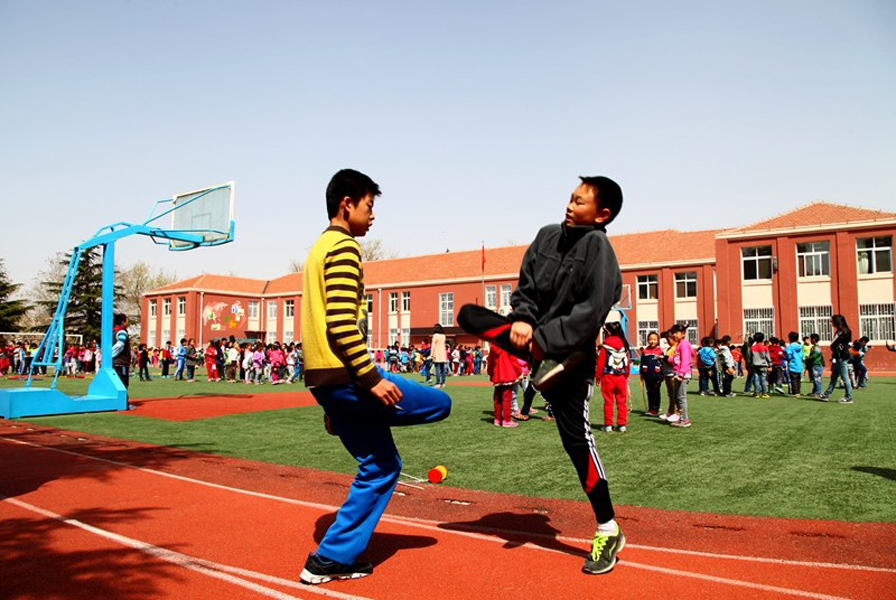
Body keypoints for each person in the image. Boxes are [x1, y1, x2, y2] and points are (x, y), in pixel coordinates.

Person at [299, 169, 451, 585]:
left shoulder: (316, 250)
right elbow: (341, 325)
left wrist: (335, 405)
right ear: (346, 204)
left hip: (325, 382)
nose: (373, 216)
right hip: (348, 378)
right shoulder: (344, 248)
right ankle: (334, 554)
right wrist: (371, 381)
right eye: (369, 206)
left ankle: (329, 559)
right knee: (441, 404)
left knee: (382, 464)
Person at [506, 175, 625, 574]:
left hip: (571, 359)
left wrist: (544, 338)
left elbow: (592, 310)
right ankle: (526, 353)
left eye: (580, 202)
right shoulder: (546, 236)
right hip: (537, 351)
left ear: (602, 213)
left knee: (577, 441)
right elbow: (524, 288)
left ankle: (608, 528)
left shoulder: (598, 247)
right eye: (570, 199)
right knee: (472, 317)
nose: (570, 206)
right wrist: (522, 319)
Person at [596, 321, 630, 433]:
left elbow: (600, 362)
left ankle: (608, 425)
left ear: (608, 331)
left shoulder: (605, 345)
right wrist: (626, 376)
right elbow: (627, 363)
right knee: (621, 401)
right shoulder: (624, 344)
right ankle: (622, 425)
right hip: (621, 377)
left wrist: (598, 376)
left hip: (608, 377)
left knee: (608, 401)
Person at [487, 343, 522, 427]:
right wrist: (519, 372)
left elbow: (490, 362)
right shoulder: (508, 346)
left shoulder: (492, 348)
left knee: (497, 398)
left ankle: (497, 419)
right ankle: (506, 420)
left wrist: (491, 374)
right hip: (507, 374)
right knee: (507, 398)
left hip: (497, 374)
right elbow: (513, 360)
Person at [822, 314, 853, 403]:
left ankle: (848, 396)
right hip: (837, 356)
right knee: (834, 376)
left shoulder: (845, 332)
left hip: (842, 356)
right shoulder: (839, 331)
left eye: (832, 321)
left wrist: (835, 347)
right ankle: (826, 394)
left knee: (844, 376)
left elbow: (837, 343)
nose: (831, 322)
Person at [669, 324, 694, 428]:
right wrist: (668, 359)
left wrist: (681, 373)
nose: (674, 334)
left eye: (677, 332)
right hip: (678, 373)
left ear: (683, 334)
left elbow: (686, 360)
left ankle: (685, 418)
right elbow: (678, 359)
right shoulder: (679, 344)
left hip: (682, 374)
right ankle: (681, 417)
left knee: (681, 397)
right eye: (673, 332)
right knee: (676, 396)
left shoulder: (683, 344)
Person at [639, 332, 664, 415]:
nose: (652, 341)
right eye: (650, 339)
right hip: (647, 375)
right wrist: (641, 374)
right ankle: (651, 408)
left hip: (657, 376)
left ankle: (655, 408)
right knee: (649, 391)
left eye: (654, 339)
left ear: (658, 340)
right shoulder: (645, 351)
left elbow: (663, 364)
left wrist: (662, 375)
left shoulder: (660, 351)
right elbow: (642, 363)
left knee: (656, 391)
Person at [111, 314, 131, 392]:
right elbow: (120, 344)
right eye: (127, 321)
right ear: (123, 322)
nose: (127, 323)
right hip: (121, 362)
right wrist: (110, 355)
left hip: (114, 363)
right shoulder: (122, 332)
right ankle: (124, 402)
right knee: (123, 383)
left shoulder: (112, 331)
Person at [750, 332, 771, 398]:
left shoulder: (752, 347)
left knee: (756, 379)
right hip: (763, 365)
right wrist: (770, 364)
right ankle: (764, 393)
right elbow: (768, 357)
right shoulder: (765, 347)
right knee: (763, 379)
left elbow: (750, 357)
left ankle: (757, 393)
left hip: (755, 365)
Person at [783, 331, 804, 397]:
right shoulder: (800, 346)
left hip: (792, 365)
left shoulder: (790, 347)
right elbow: (801, 355)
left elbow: (789, 356)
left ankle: (795, 392)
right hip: (799, 365)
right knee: (798, 379)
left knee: (793, 379)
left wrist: (786, 357)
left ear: (790, 338)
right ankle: (798, 392)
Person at [431, 324, 448, 388]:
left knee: (437, 368)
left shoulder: (435, 336)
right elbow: (444, 345)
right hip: (443, 353)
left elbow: (433, 346)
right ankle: (443, 383)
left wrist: (432, 355)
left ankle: (438, 382)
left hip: (437, 353)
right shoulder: (443, 336)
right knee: (443, 369)